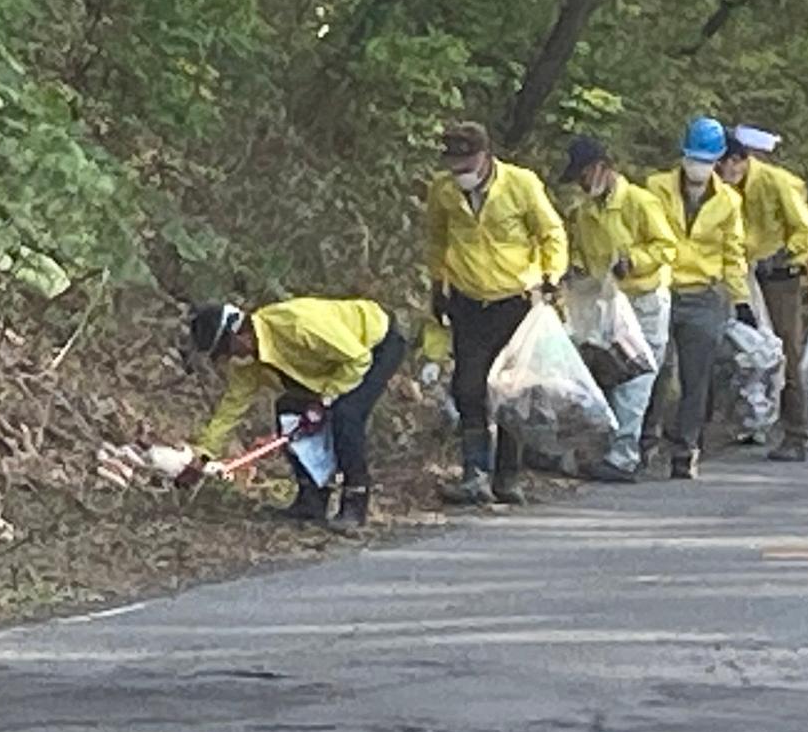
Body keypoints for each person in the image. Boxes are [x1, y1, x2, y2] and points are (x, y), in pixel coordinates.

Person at [425, 121, 569, 507]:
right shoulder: (443, 191)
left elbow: (551, 232)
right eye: (454, 164)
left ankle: (509, 476)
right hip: (469, 302)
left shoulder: (521, 184)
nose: (461, 172)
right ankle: (475, 473)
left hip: (515, 301)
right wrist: (438, 283)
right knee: (468, 388)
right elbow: (437, 238)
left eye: (466, 162)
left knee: (512, 391)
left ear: (484, 156)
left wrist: (551, 275)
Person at [180, 297, 406, 531]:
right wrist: (203, 454)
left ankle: (355, 500)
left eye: (224, 351)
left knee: (346, 414)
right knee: (289, 410)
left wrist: (326, 398)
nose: (225, 359)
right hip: (334, 368)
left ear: (239, 335)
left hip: (374, 345)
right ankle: (312, 497)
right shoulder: (248, 362)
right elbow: (231, 409)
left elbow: (358, 358)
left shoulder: (297, 324)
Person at [560, 134, 677, 483]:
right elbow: (581, 251)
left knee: (636, 377)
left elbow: (666, 247)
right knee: (609, 371)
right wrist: (575, 269)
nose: (582, 183)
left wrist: (635, 262)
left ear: (602, 168)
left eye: (584, 174)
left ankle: (624, 456)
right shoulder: (583, 212)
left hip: (643, 300)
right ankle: (607, 449)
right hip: (606, 301)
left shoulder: (640, 202)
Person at [718, 123, 808, 462]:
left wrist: (787, 255)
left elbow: (805, 233)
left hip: (782, 278)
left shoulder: (775, 183)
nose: (719, 173)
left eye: (723, 165)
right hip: (743, 276)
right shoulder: (723, 190)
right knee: (744, 351)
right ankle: (749, 421)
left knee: (786, 352)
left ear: (738, 160)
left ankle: (795, 433)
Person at [644, 116, 751, 481]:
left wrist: (741, 300)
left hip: (704, 295)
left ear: (718, 160)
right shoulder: (656, 189)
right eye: (693, 158)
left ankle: (686, 448)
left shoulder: (728, 202)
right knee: (655, 369)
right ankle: (644, 442)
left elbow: (733, 252)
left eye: (706, 160)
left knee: (696, 377)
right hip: (660, 287)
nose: (698, 167)